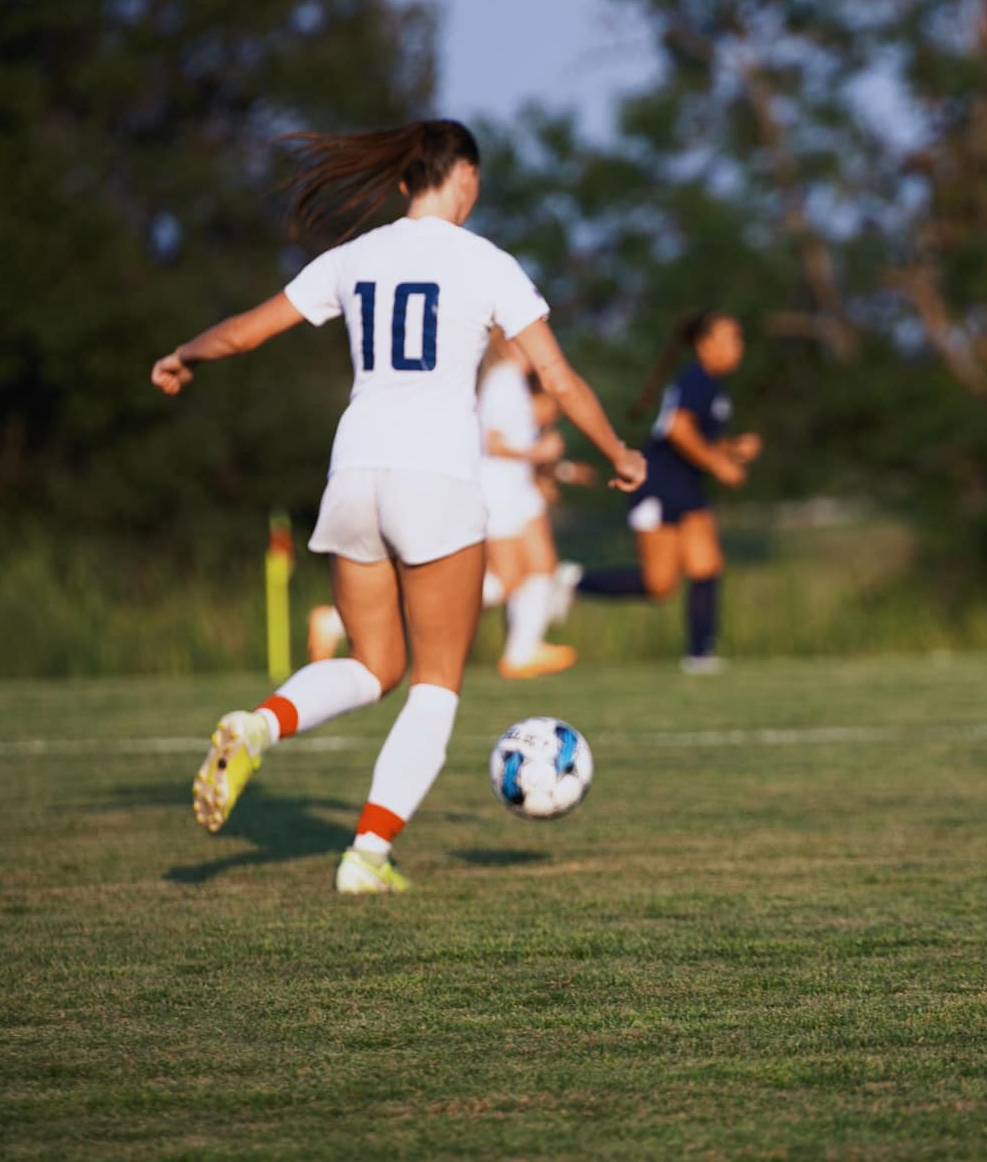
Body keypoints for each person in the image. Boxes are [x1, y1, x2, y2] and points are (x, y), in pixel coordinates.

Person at [150, 119, 645, 895]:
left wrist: (184, 354)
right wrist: (617, 451)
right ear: (467, 179)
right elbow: (557, 377)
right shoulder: (486, 263)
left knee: (373, 663)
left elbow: (247, 334)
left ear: (404, 180)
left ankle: (259, 724)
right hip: (436, 476)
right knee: (435, 684)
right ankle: (367, 857)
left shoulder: (356, 256)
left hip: (354, 472)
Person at [574, 311, 761, 673]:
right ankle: (572, 584)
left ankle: (701, 654)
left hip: (685, 485)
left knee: (706, 564)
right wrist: (719, 464)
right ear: (705, 344)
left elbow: (694, 437)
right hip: (659, 483)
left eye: (739, 338)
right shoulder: (697, 378)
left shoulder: (713, 385)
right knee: (659, 584)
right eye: (729, 338)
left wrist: (733, 448)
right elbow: (677, 430)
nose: (738, 346)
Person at [477, 331, 575, 679]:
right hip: (497, 490)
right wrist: (539, 453)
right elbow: (491, 441)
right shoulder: (502, 380)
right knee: (506, 582)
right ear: (507, 342)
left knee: (543, 566)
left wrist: (557, 467)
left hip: (517, 490)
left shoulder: (516, 382)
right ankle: (339, 621)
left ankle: (522, 652)